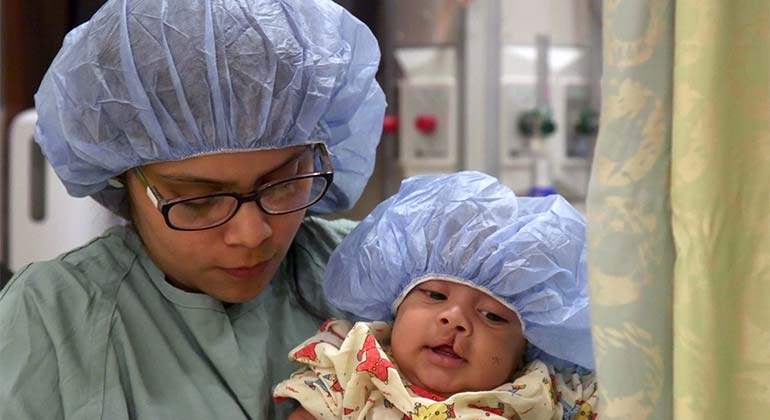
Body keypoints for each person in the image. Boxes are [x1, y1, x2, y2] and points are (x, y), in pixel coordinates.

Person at [0, 0, 385, 419]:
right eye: (200, 201)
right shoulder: (49, 320)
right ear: (121, 174)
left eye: (283, 181)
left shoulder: (387, 280)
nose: (252, 234)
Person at [274, 171, 599, 420]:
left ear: (526, 349)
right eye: (434, 295)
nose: (455, 318)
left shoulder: (550, 391)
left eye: (492, 316)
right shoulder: (352, 367)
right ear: (395, 308)